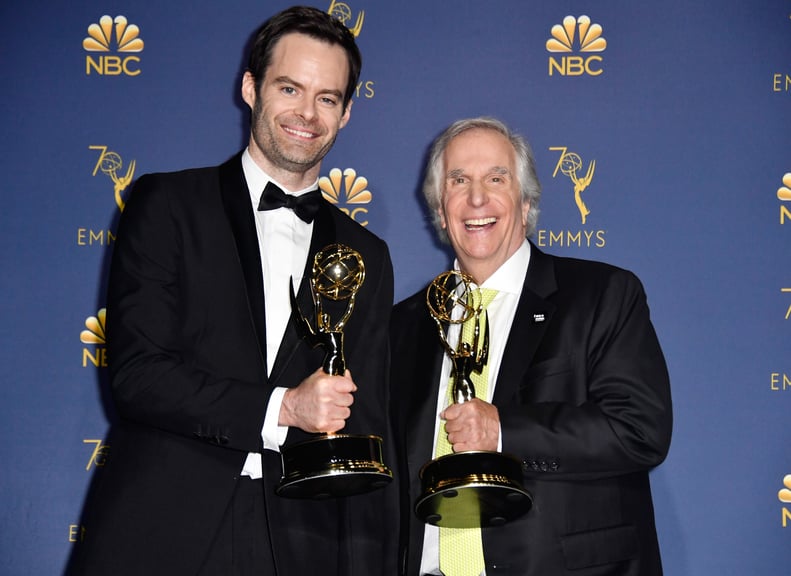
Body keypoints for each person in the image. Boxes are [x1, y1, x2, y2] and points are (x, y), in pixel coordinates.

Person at [67, 6, 396, 576]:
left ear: (345, 114)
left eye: (327, 97)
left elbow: (366, 420)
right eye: (289, 87)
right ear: (251, 88)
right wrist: (283, 408)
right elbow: (138, 375)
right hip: (166, 530)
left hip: (301, 540)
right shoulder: (168, 206)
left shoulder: (366, 254)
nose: (307, 113)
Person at [390, 117, 672, 576]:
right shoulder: (403, 324)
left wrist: (503, 432)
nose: (476, 198)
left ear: (525, 203)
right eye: (459, 180)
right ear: (440, 210)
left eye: (495, 179)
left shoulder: (602, 294)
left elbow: (639, 430)